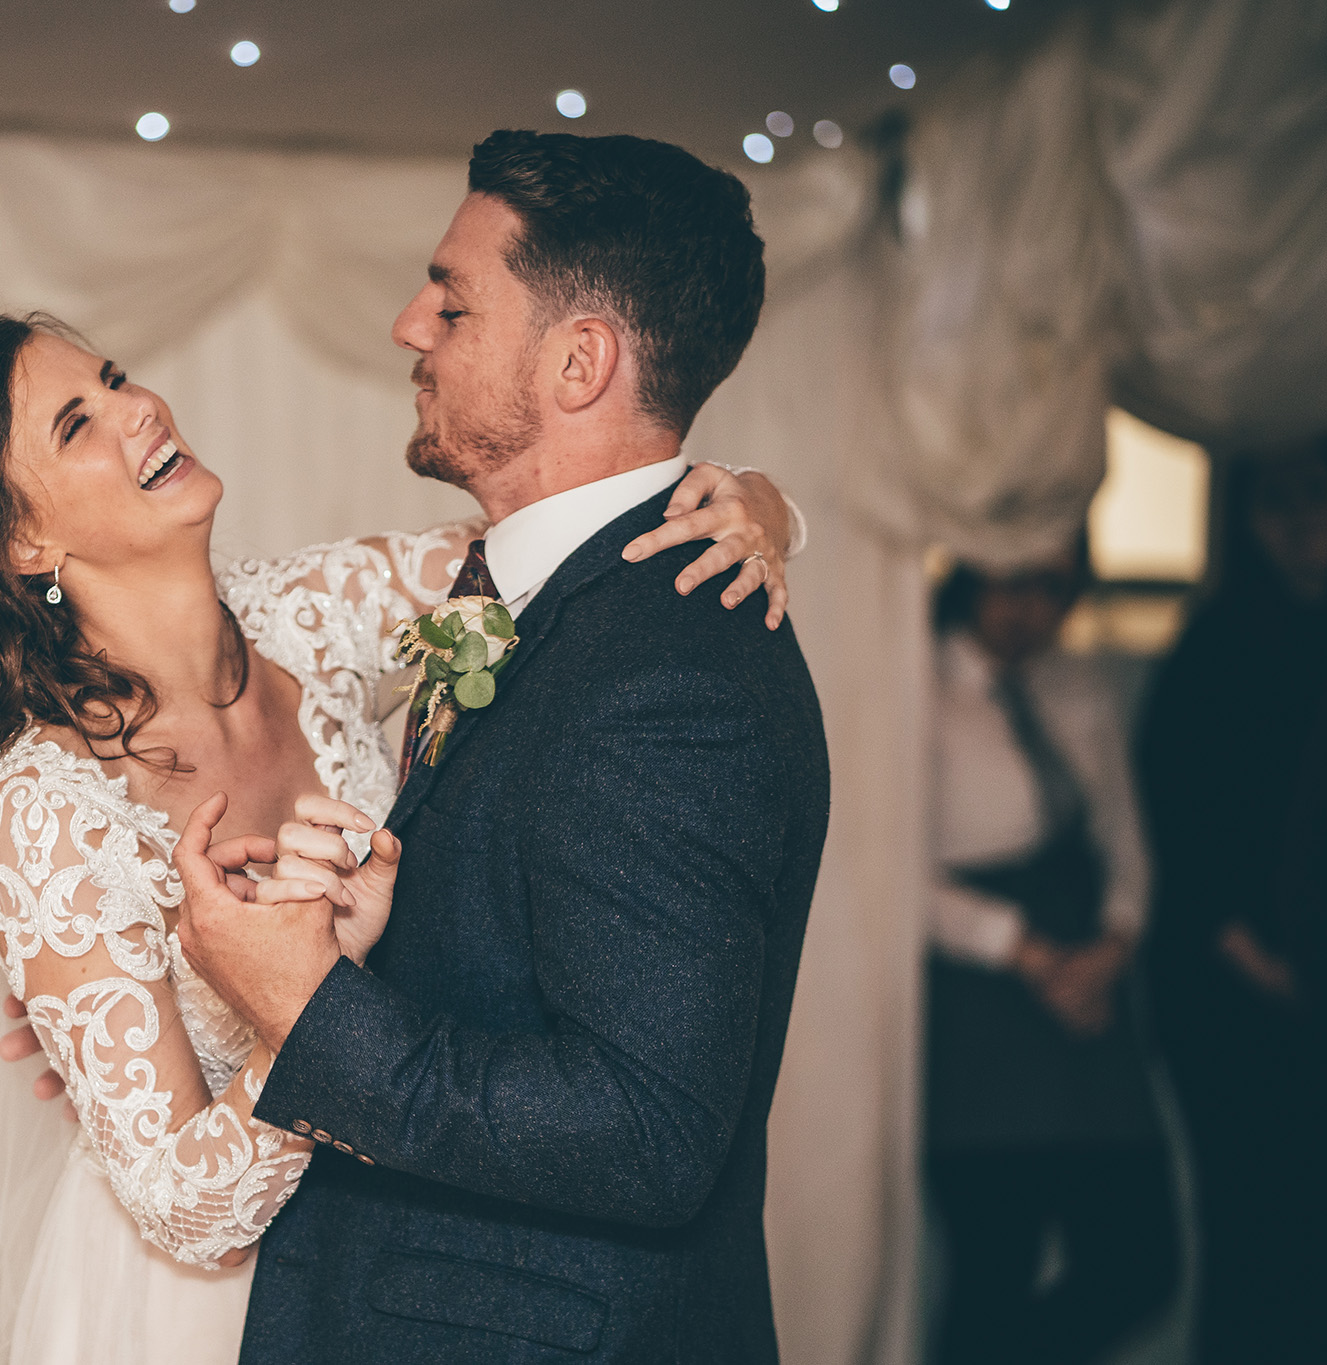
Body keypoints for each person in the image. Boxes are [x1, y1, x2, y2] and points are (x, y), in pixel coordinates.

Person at [0, 141, 813, 1364]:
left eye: (112, 378)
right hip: (194, 1305)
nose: (138, 407)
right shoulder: (47, 806)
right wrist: (289, 1018)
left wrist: (757, 499)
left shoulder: (320, 611)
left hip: (415, 1248)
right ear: (24, 545)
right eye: (77, 422)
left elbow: (566, 563)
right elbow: (176, 1201)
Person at [170, 131, 829, 1364]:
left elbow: (643, 1133)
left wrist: (301, 1010)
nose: (406, 326)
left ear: (579, 362)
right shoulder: (541, 599)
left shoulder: (666, 677)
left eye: (452, 300)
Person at [1138, 436, 1327, 1365]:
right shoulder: (1212, 651)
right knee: (1258, 1239)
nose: (1300, 521)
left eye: (1317, 493)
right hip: (1234, 1004)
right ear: (1244, 521)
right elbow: (1183, 826)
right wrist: (1269, 969)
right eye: (1274, 500)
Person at [922, 542, 1178, 1365]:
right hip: (982, 993)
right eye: (1014, 579)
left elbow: (1126, 836)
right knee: (994, 1263)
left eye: (1054, 589)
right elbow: (887, 874)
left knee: (1142, 1259)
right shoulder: (913, 684)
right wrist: (1024, 952)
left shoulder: (1075, 683)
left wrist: (1113, 942)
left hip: (1089, 984)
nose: (1029, 607)